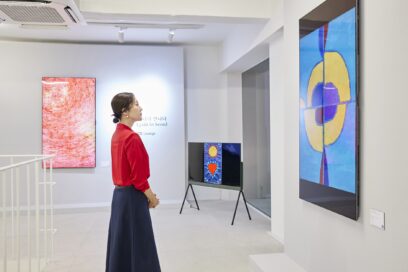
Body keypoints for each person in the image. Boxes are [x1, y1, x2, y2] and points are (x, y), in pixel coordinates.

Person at [106, 92, 161, 272]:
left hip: (119, 198)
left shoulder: (117, 135)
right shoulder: (132, 138)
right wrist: (152, 198)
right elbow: (139, 178)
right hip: (132, 198)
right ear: (125, 111)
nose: (141, 107)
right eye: (137, 104)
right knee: (140, 245)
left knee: (121, 245)